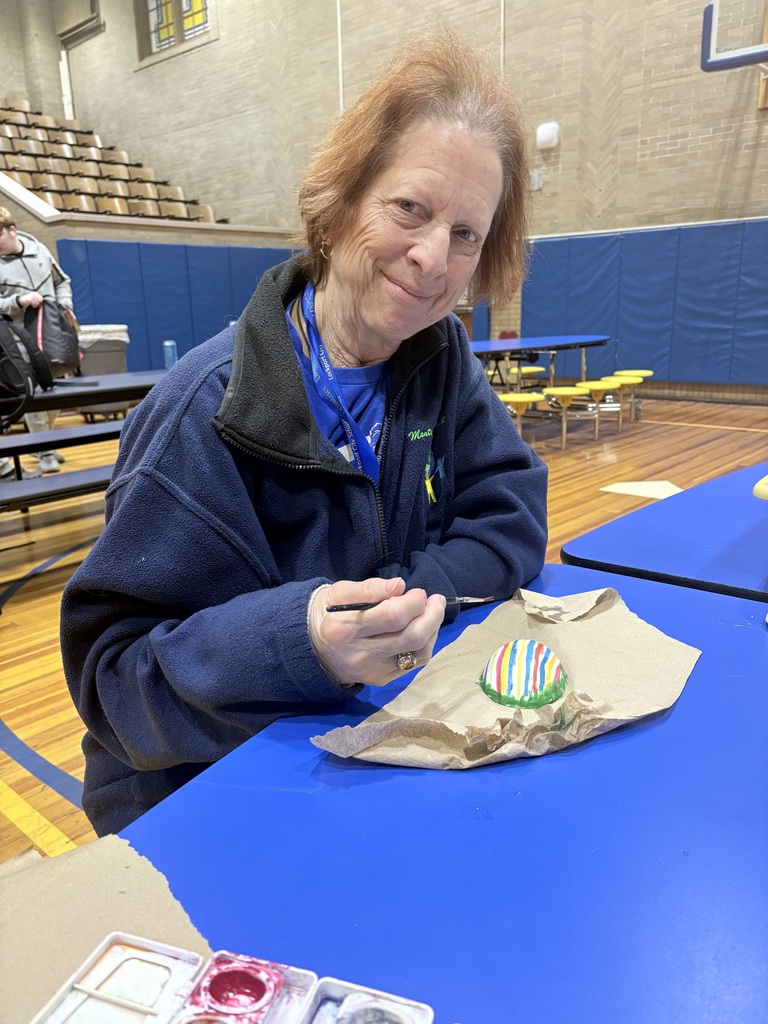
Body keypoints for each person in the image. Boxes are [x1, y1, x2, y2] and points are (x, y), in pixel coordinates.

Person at [60, 30, 548, 835]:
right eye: (410, 209)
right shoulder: (200, 417)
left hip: (365, 747)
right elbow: (118, 687)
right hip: (200, 798)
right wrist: (300, 646)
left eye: (466, 234)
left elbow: (510, 514)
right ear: (338, 204)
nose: (433, 257)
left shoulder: (438, 356)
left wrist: (405, 602)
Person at [0, 206, 73, 475]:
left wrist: (65, 304)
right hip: (19, 339)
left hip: (53, 333)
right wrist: (18, 300)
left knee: (55, 391)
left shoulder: (39, 249)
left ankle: (44, 442)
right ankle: (46, 451)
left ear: (12, 230)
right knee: (34, 394)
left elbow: (62, 281)